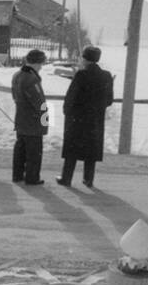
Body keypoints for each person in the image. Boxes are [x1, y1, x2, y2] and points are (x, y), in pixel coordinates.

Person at [57, 46, 115, 188]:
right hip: (95, 119)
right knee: (91, 150)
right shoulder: (106, 76)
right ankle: (88, 179)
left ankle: (66, 178)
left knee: (72, 149)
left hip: (78, 118)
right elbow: (109, 100)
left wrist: (67, 111)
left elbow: (71, 96)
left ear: (85, 58)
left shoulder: (81, 75)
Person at [11, 48, 48, 185]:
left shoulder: (17, 75)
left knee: (20, 148)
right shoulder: (31, 79)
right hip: (33, 121)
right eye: (41, 64)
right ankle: (32, 177)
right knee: (34, 152)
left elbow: (15, 96)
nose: (41, 67)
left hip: (21, 117)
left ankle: (17, 175)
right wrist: (46, 121)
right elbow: (40, 102)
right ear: (37, 63)